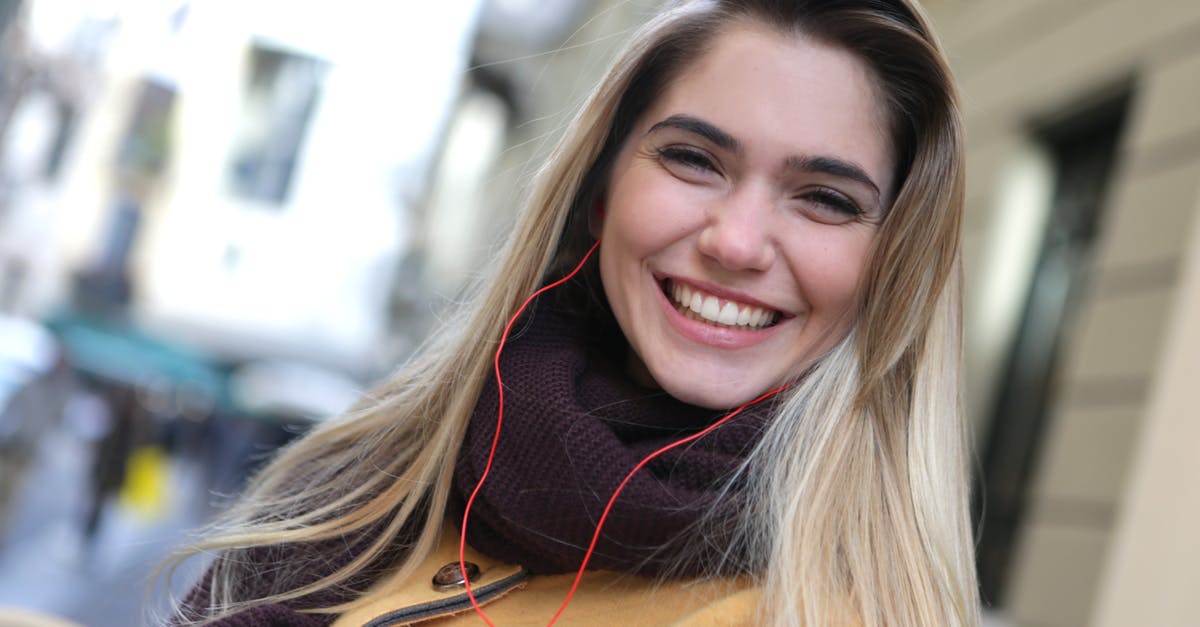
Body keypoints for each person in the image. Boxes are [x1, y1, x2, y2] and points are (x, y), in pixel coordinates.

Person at [169, 0, 979, 624]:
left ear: (891, 269)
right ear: (600, 193)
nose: (735, 243)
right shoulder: (364, 481)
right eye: (694, 158)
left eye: (826, 199)